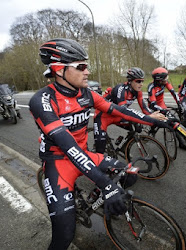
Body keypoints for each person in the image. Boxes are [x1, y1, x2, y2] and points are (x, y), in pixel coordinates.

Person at [29, 38, 169, 249]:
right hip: (59, 163)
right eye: (81, 66)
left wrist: (158, 121)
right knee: (64, 237)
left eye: (87, 66)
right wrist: (106, 185)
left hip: (85, 155)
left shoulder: (87, 93)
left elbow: (120, 110)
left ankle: (98, 203)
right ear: (59, 70)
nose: (87, 72)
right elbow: (70, 148)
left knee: (130, 174)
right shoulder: (42, 100)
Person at [93, 67, 166, 154]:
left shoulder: (138, 92)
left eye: (142, 81)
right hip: (103, 116)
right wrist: (148, 117)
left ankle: (124, 147)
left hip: (117, 116)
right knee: (100, 151)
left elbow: (144, 109)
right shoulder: (121, 90)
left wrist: (153, 116)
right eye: (138, 81)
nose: (141, 84)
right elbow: (123, 111)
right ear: (130, 81)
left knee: (137, 127)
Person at [147, 67, 186, 150]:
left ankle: (182, 142)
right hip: (154, 106)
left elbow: (174, 93)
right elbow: (153, 104)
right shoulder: (151, 87)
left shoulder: (165, 83)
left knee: (173, 121)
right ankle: (151, 129)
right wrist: (162, 110)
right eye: (165, 78)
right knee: (155, 122)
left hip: (162, 104)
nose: (167, 80)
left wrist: (179, 104)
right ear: (159, 79)